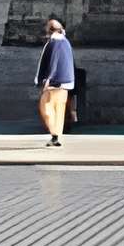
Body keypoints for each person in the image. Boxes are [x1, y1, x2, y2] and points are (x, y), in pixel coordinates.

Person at [35, 15, 75, 148]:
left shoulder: (55, 43)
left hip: (55, 82)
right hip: (65, 81)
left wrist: (48, 79)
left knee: (46, 106)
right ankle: (56, 136)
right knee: (59, 109)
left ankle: (55, 135)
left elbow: (54, 62)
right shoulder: (65, 42)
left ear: (50, 30)